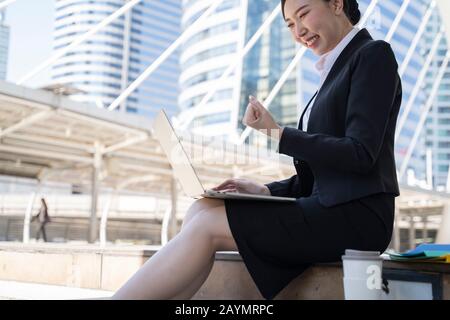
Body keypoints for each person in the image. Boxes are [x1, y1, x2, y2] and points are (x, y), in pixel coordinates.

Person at [112, 0, 402, 300]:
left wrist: (277, 134)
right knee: (203, 209)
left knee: (207, 227)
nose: (299, 30)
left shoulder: (373, 55)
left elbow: (360, 154)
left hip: (358, 217)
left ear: (337, 4)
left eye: (303, 14)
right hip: (329, 208)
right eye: (290, 24)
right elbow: (321, 178)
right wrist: (264, 191)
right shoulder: (332, 72)